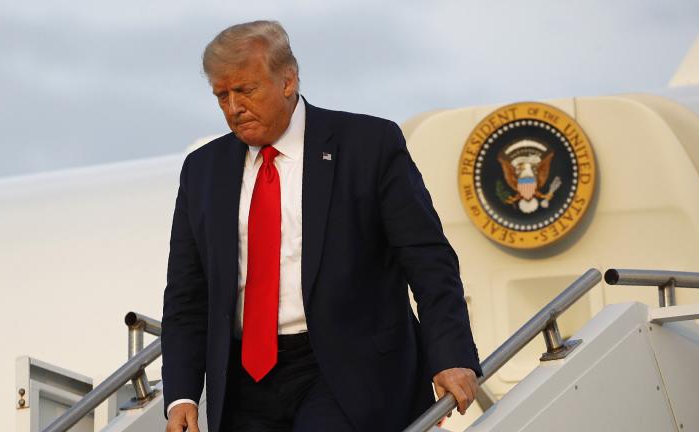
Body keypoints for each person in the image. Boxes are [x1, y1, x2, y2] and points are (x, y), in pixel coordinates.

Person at [161, 20, 481, 432]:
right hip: (244, 381)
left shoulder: (369, 145)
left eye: (246, 90)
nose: (233, 107)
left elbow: (428, 260)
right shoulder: (202, 171)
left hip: (346, 369)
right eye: (222, 95)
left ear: (288, 80)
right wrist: (182, 394)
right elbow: (187, 294)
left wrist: (450, 355)